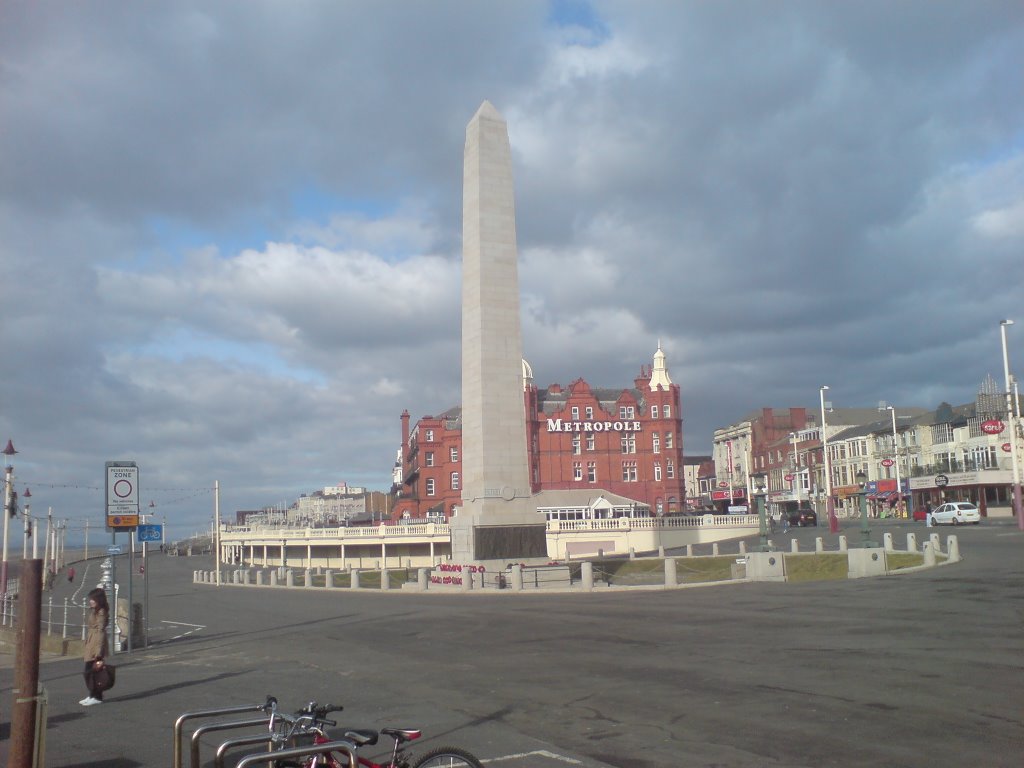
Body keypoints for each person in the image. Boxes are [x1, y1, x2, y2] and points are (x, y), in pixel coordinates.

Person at [81, 587, 110, 706]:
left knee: (94, 672)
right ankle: (92, 694)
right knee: (89, 671)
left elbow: (101, 631)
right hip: (91, 642)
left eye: (93, 599)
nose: (90, 601)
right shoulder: (95, 610)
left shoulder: (101, 612)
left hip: (96, 644)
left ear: (98, 599)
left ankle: (97, 696)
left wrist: (98, 651)